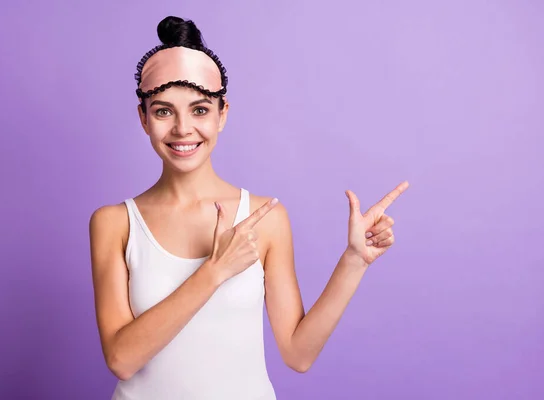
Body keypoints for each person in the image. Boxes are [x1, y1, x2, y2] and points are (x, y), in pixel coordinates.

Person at [89, 15, 409, 400]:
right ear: (143, 118)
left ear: (223, 114)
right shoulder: (115, 223)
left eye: (200, 110)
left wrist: (354, 261)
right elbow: (122, 359)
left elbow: (298, 353)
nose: (182, 129)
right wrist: (214, 272)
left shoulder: (266, 218)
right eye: (163, 111)